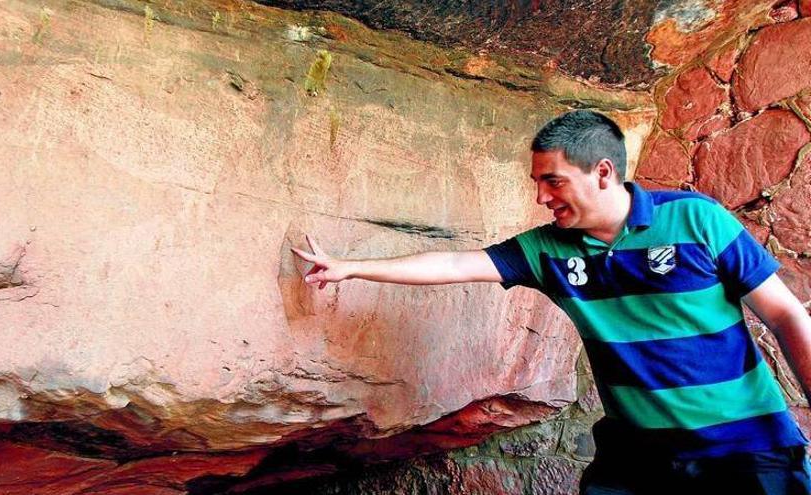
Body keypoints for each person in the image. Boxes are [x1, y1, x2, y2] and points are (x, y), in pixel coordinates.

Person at [290, 110, 811, 494]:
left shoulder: (698, 220)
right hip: (638, 458)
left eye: (553, 180)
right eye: (538, 182)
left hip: (746, 450)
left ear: (602, 173)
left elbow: (786, 313)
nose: (541, 196)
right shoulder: (547, 250)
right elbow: (455, 264)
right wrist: (351, 268)